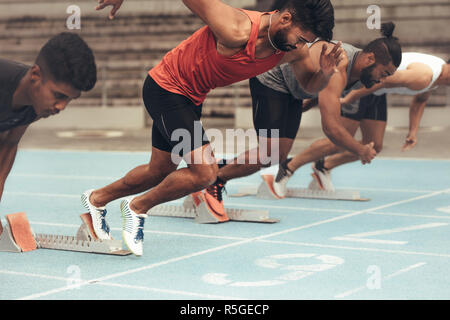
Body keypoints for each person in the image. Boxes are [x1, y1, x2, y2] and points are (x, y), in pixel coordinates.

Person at [84, 0, 340, 256]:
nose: (301, 46)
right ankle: (137, 207)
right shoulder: (235, 27)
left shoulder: (292, 50)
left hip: (191, 98)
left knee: (159, 170)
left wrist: (326, 74)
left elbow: (308, 85)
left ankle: (95, 200)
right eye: (301, 38)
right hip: (166, 88)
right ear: (285, 19)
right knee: (205, 173)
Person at [207, 22, 401, 203]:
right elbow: (331, 128)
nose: (382, 81)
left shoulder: (362, 74)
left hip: (296, 91)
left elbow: (327, 89)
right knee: (269, 153)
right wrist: (360, 150)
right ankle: (214, 179)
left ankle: (215, 171)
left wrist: (311, 101)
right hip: (272, 79)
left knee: (278, 155)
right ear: (370, 59)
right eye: (383, 74)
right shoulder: (340, 64)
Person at [282, 53, 449, 192]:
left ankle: (323, 166)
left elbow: (420, 100)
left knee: (374, 145)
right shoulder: (425, 75)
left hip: (376, 92)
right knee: (340, 141)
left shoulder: (435, 79)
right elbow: (383, 79)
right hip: (363, 84)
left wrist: (412, 131)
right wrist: (351, 96)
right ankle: (288, 168)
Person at [0, 33, 97, 202]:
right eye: (58, 95)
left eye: (69, 99)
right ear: (35, 75)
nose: (61, 106)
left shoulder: (37, 105)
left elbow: (9, 144)